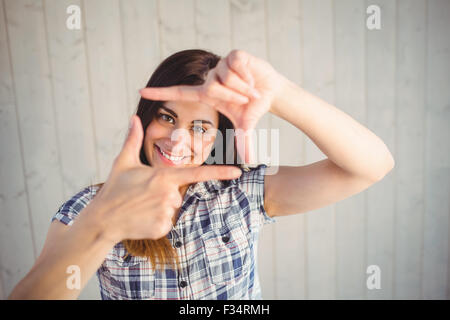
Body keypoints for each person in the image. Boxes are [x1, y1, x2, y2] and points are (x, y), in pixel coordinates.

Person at [9, 49, 394, 300]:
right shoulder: (88, 209)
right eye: (167, 117)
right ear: (146, 117)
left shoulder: (240, 193)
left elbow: (372, 166)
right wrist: (103, 225)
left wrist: (279, 93)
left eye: (199, 127)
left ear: (217, 138)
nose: (178, 140)